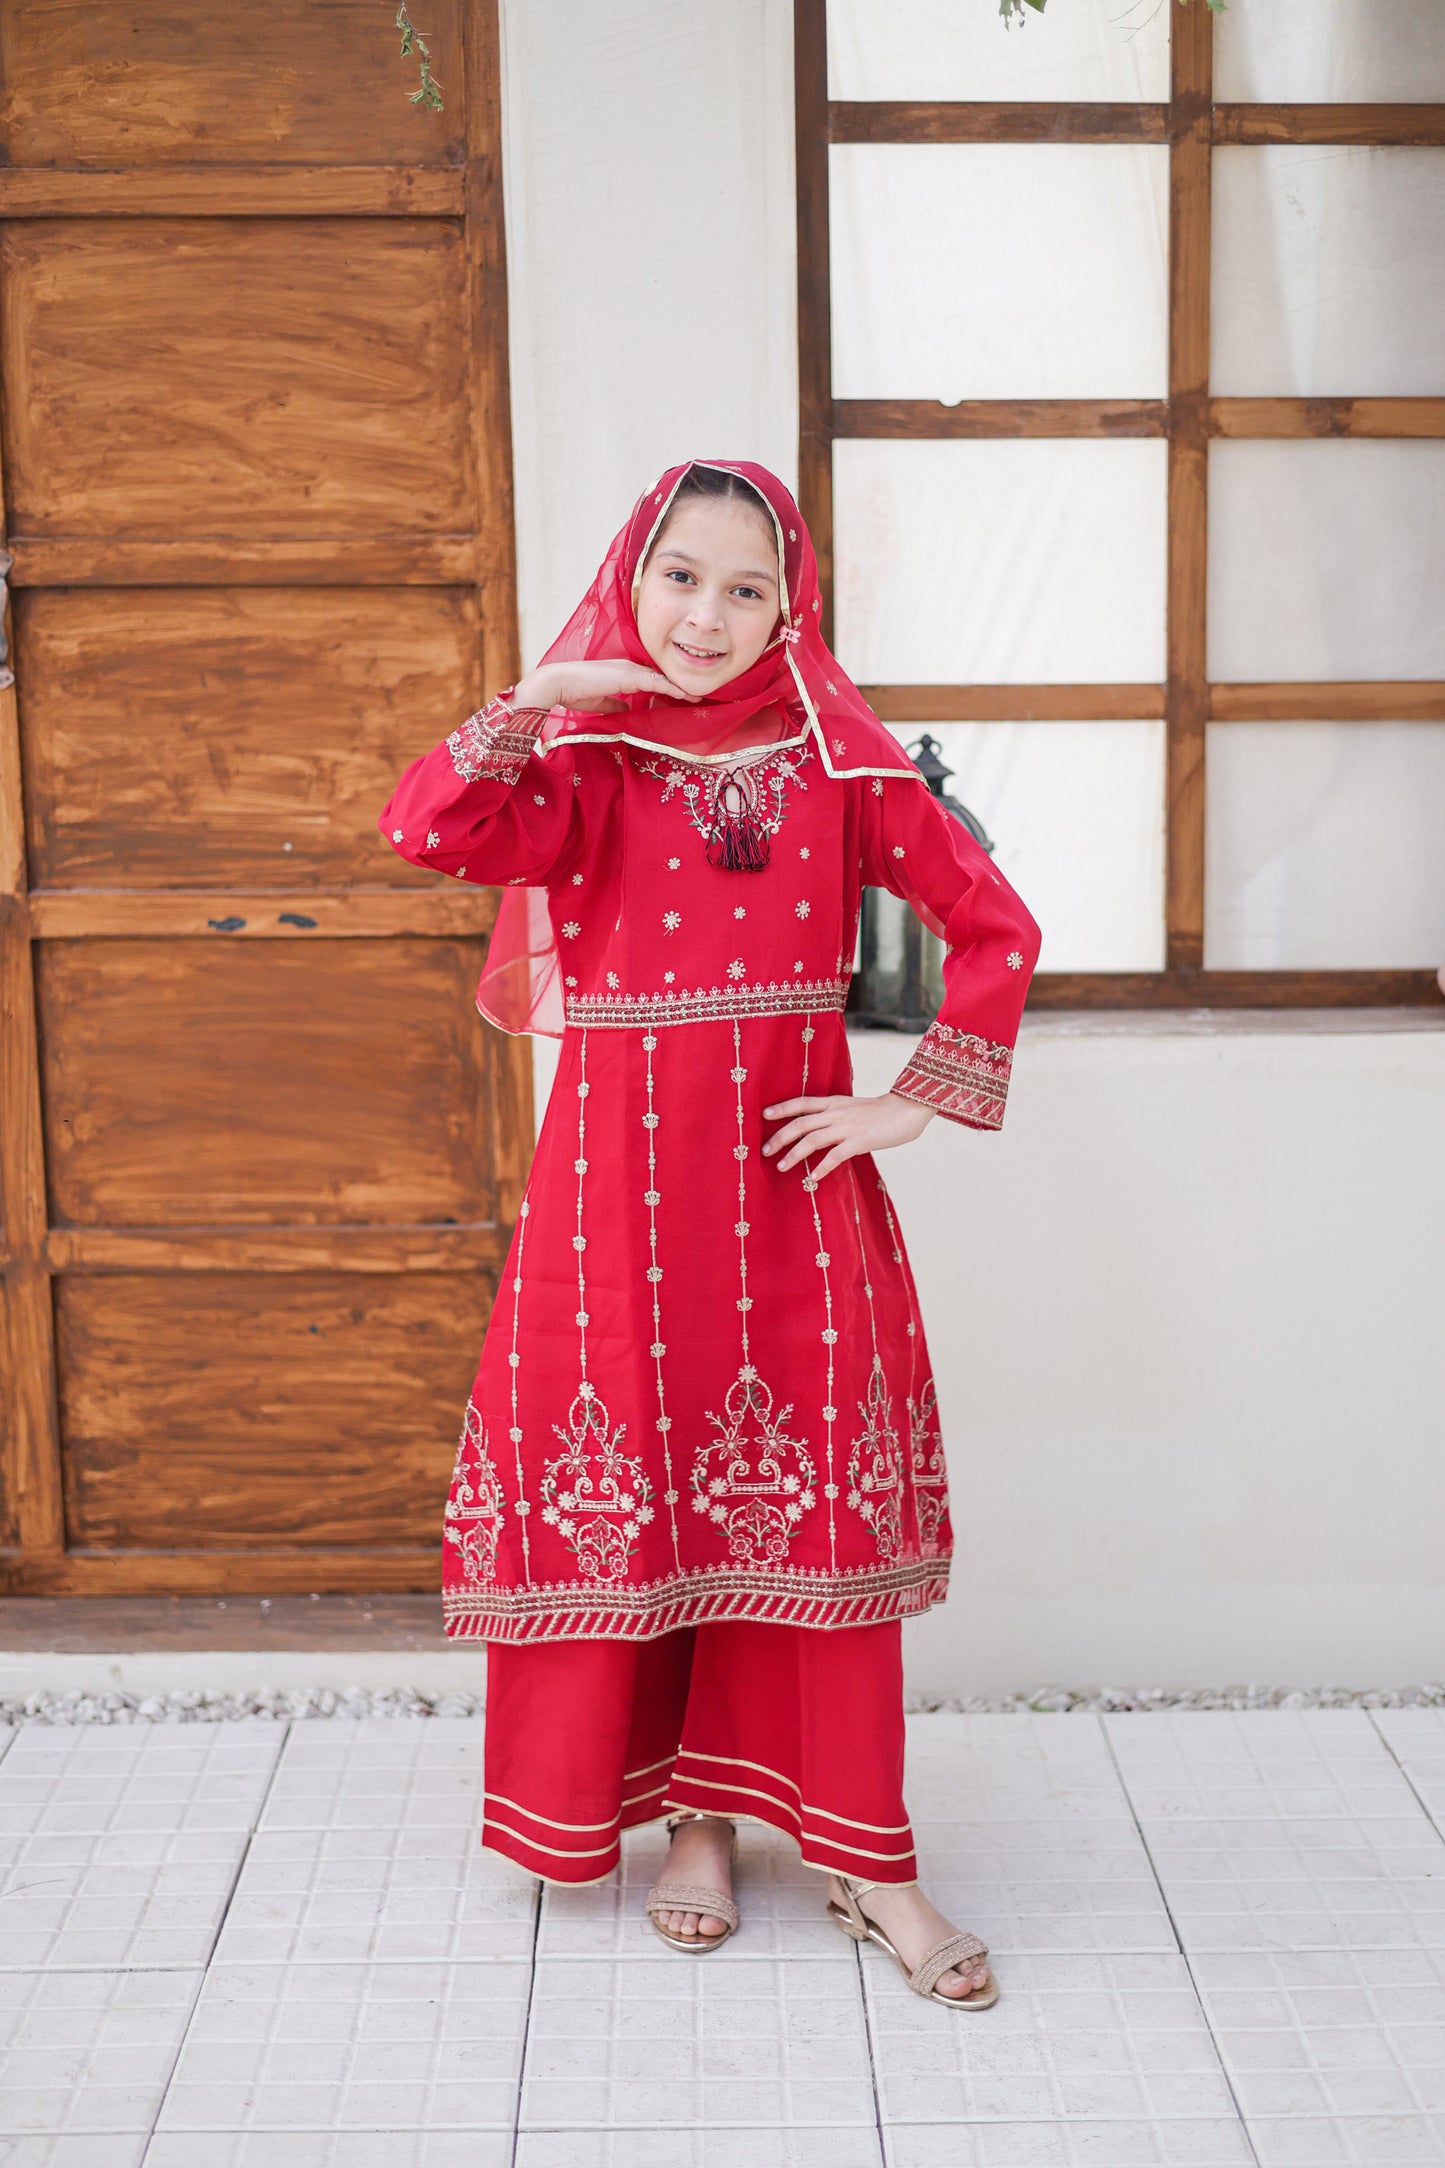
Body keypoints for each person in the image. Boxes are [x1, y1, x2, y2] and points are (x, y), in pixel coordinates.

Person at [381, 459, 1040, 2008]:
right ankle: (692, 1826)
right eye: (680, 576)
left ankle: (871, 1867)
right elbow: (434, 831)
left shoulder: (837, 756)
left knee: (801, 1512)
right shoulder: (585, 754)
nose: (707, 615)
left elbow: (994, 921)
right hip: (612, 1206)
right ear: (634, 575)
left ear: (790, 603)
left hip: (788, 1199)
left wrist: (912, 1099)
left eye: (748, 587)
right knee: (661, 1493)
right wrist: (540, 694)